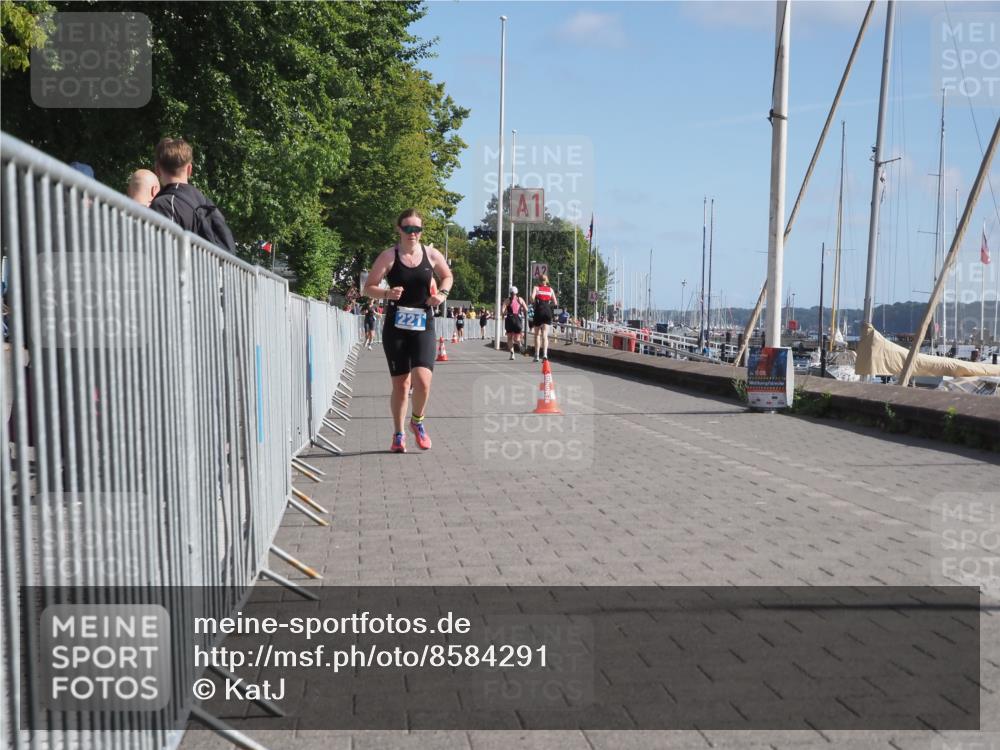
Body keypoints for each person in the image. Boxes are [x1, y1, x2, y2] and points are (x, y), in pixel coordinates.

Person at [363, 209, 452, 453]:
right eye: (408, 228)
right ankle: (398, 433)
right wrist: (386, 293)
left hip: (423, 324)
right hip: (396, 326)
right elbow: (368, 287)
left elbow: (447, 276)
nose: (413, 233)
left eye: (417, 229)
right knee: (402, 385)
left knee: (422, 381)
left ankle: (417, 422)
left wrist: (442, 294)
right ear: (399, 229)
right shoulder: (388, 256)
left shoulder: (431, 254)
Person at [150, 137, 236, 253]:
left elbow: (162, 253)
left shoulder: (164, 204)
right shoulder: (206, 204)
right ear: (190, 169)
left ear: (157, 170)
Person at [529, 274, 558, 362]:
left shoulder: (536, 288)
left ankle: (537, 355)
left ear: (539, 280)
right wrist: (548, 305)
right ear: (547, 281)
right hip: (547, 311)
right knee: (545, 335)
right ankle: (545, 354)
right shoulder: (550, 289)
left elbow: (532, 298)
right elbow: (555, 303)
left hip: (539, 311)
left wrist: (533, 301)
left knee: (537, 334)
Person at [501, 286, 528, 361]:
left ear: (510, 292)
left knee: (509, 338)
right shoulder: (520, 299)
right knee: (517, 338)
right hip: (518, 320)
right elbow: (526, 309)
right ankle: (520, 344)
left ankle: (512, 354)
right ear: (517, 292)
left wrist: (504, 314)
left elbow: (502, 311)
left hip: (510, 319)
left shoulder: (507, 300)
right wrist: (523, 313)